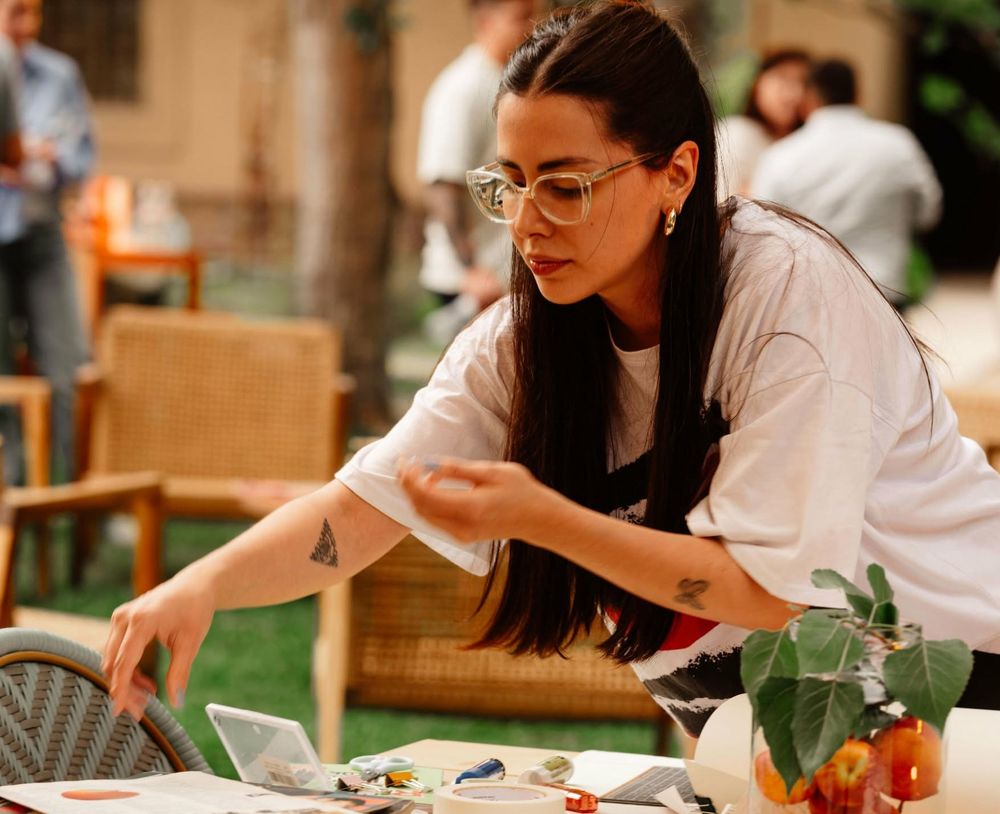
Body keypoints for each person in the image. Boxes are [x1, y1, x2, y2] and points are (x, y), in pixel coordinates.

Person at [103, 1, 1000, 735]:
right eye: (508, 183)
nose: (528, 223)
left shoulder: (785, 301)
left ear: (675, 175)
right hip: (779, 739)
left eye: (565, 186)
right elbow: (363, 507)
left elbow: (771, 593)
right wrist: (200, 585)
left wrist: (548, 519)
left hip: (962, 704)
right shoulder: (525, 340)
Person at [751, 59, 942, 309]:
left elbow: (760, 232)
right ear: (858, 94)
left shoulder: (780, 157)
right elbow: (928, 212)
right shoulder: (899, 144)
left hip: (809, 297)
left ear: (809, 98)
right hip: (885, 292)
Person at [0, 0, 92, 482]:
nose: (27, 25)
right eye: (16, 12)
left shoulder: (59, 75)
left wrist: (43, 161)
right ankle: (12, 490)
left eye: (33, 13)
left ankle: (73, 494)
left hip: (41, 238)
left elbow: (78, 156)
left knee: (68, 367)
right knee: (4, 385)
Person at [417, 0, 534, 344]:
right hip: (468, 281)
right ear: (485, 21)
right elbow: (442, 183)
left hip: (501, 277)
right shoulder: (462, 88)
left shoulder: (509, 82)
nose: (531, 26)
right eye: (520, 18)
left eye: (533, 15)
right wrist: (470, 270)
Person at [716, 48, 809, 201]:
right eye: (783, 78)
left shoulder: (806, 144)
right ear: (757, 83)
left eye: (803, 83)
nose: (794, 93)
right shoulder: (736, 134)